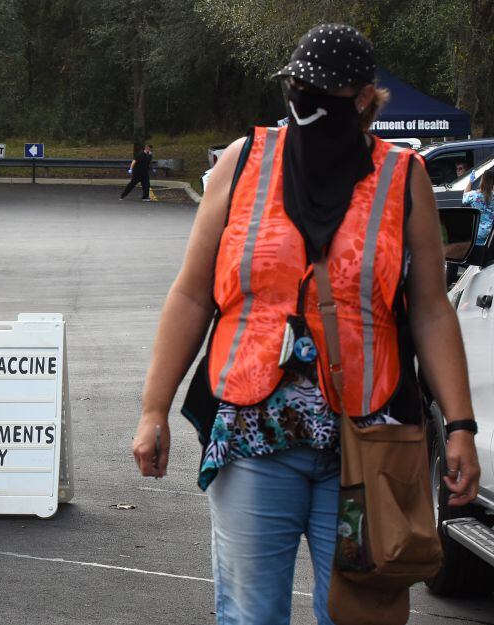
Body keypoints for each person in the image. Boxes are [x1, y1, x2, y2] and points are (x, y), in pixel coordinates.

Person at [131, 24, 480, 624]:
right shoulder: (242, 166)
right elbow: (192, 295)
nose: (306, 99)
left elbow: (429, 309)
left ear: (368, 98)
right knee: (251, 614)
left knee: (356, 615)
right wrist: (153, 408)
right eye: (298, 85)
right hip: (251, 435)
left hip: (367, 445)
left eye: (326, 90)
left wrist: (461, 426)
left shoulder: (404, 178)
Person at [463, 170, 494, 244]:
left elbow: (464, 198)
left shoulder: (474, 195)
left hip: (477, 233)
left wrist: (470, 181)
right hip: (492, 235)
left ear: (482, 180)